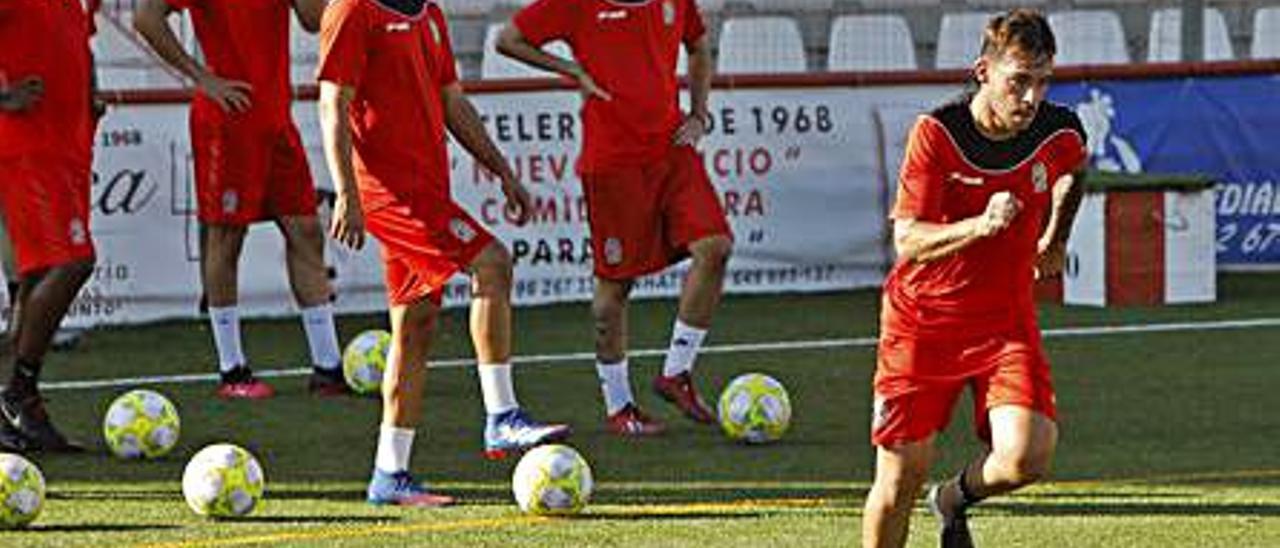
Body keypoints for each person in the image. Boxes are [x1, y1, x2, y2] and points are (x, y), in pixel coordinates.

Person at [317, 0, 571, 506]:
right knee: (492, 262)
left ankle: (390, 474)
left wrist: (502, 170)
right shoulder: (352, 9)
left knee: (415, 326)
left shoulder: (429, 13)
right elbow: (332, 102)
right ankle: (502, 416)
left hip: (428, 187)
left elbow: (453, 101)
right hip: (387, 191)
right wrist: (345, 191)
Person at [861, 9, 1088, 548]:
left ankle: (954, 498)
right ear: (984, 71)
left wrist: (1055, 239)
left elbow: (1074, 171)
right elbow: (908, 240)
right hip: (922, 325)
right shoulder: (938, 134)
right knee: (899, 479)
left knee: (1029, 454)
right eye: (1019, 81)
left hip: (1005, 323)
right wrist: (979, 225)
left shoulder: (1059, 129)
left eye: (1042, 81)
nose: (1031, 98)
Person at [497, 0, 734, 436]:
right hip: (613, 164)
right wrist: (572, 70)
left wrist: (699, 114)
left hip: (672, 151)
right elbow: (507, 40)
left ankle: (676, 372)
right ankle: (620, 406)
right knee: (614, 289)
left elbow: (700, 47)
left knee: (715, 247)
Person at [134, 0, 350, 399]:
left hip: (275, 117)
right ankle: (232, 370)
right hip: (227, 119)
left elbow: (311, 20)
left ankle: (327, 368)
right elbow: (145, 17)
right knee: (227, 238)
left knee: (306, 231)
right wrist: (202, 78)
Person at [0, 0, 102, 452]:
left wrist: (91, 94)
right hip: (26, 146)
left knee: (37, 275)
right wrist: (2, 97)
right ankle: (18, 389)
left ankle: (22, 405)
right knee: (74, 261)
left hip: (68, 145)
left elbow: (82, 44)